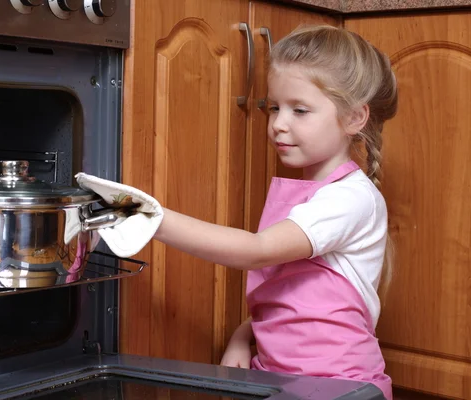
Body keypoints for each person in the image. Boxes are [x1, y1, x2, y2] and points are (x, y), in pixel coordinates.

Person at [78, 24, 398, 400]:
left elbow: (255, 251)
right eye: (275, 107)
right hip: (279, 378)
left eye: (300, 110)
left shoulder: (349, 199)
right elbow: (288, 296)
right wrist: (242, 339)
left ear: (355, 118)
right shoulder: (306, 194)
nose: (278, 123)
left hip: (338, 385)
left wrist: (147, 215)